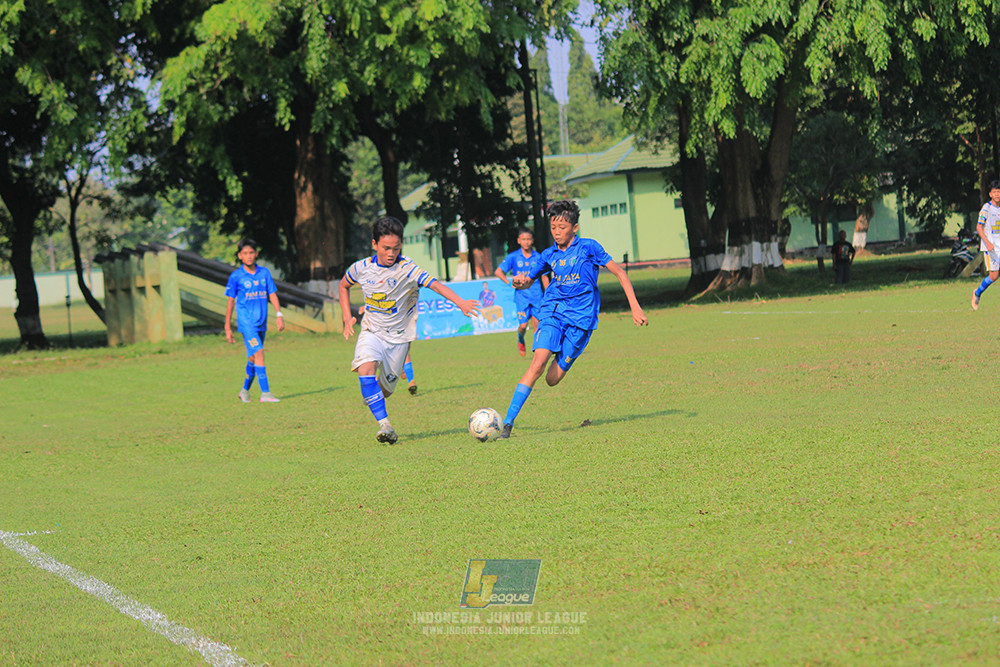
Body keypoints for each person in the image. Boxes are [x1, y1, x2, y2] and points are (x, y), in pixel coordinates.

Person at [497, 200, 648, 439]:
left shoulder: (589, 248)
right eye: (553, 227)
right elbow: (529, 279)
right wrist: (519, 281)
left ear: (575, 227)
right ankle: (506, 424)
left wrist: (635, 307)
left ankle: (563, 355)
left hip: (582, 321)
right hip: (553, 312)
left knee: (552, 379)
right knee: (537, 365)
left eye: (562, 227)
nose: (557, 232)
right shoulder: (548, 254)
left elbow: (619, 272)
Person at [340, 216, 480, 444]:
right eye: (385, 248)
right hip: (372, 331)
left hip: (399, 339)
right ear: (374, 244)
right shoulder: (361, 268)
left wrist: (461, 303)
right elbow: (344, 285)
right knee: (366, 370)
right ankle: (385, 425)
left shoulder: (408, 268)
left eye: (396, 248)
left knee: (383, 392)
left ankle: (374, 396)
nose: (390, 253)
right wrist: (347, 316)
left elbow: (436, 284)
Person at [224, 238, 285, 403]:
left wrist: (279, 314)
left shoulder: (264, 273)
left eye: (251, 252)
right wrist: (227, 327)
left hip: (261, 321)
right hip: (246, 322)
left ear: (256, 254)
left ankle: (244, 391)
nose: (249, 256)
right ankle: (265, 394)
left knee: (253, 358)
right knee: (259, 353)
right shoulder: (236, 276)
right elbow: (230, 302)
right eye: (245, 253)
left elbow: (272, 294)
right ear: (240, 256)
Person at [495, 227, 550, 357]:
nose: (526, 242)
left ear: (532, 241)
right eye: (523, 239)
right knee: (523, 326)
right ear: (519, 241)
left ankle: (538, 353)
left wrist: (548, 294)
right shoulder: (513, 257)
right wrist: (510, 283)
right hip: (521, 297)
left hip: (537, 296)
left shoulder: (538, 257)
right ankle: (521, 339)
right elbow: (498, 271)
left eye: (528, 239)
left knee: (537, 325)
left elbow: (544, 276)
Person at [972, 180, 1000, 310]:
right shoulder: (986, 208)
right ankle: (977, 293)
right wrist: (987, 243)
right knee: (994, 276)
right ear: (990, 194)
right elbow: (979, 227)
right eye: (995, 192)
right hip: (991, 248)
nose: (997, 194)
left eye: (999, 192)